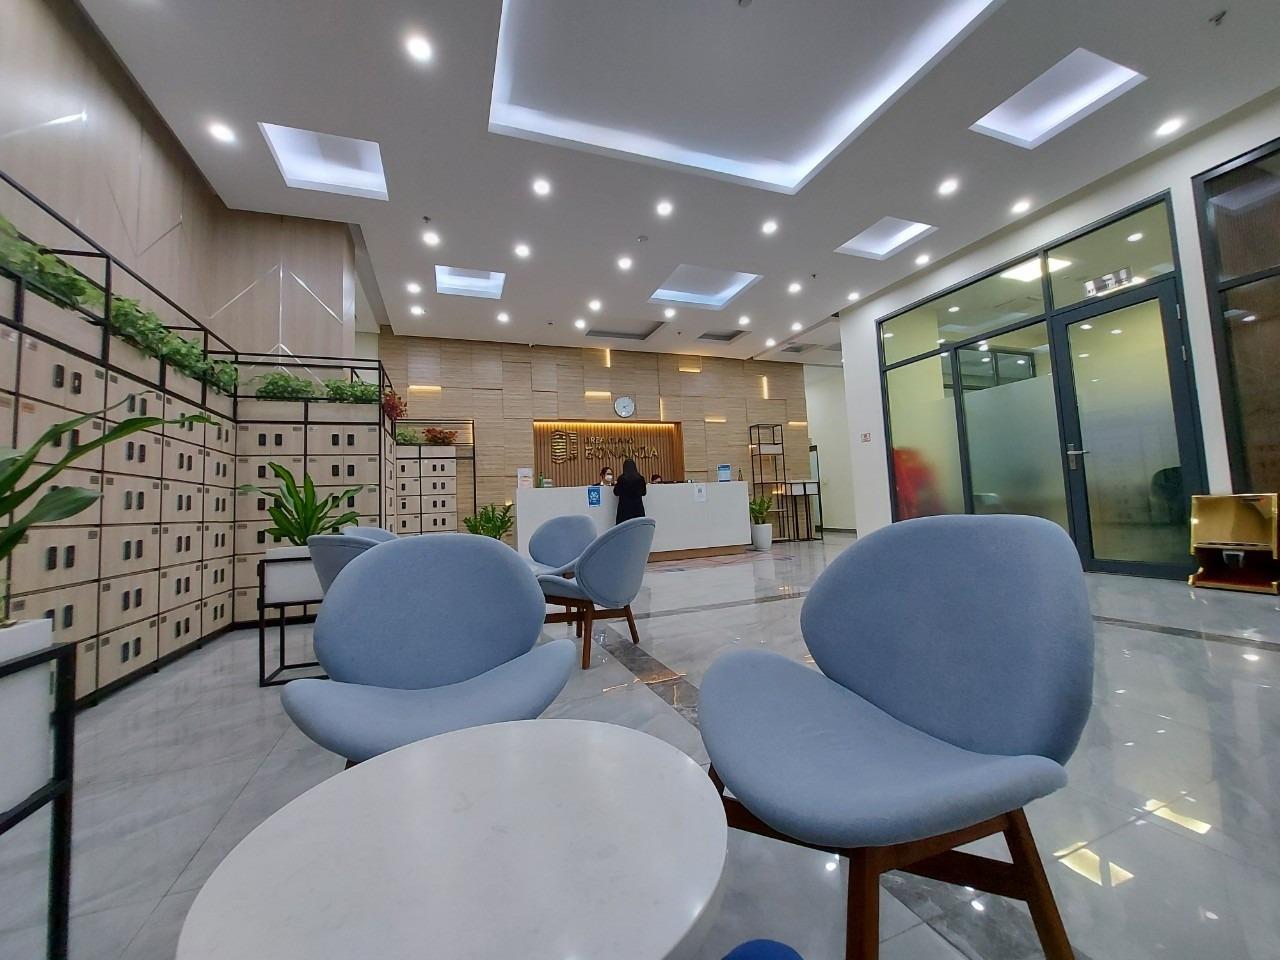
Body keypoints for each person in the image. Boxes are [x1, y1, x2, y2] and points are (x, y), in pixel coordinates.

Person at [613, 458, 647, 523]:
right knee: (638, 526)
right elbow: (644, 493)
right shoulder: (640, 478)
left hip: (624, 509)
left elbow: (616, 492)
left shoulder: (621, 478)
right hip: (638, 508)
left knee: (624, 527)